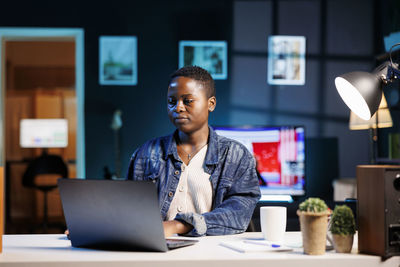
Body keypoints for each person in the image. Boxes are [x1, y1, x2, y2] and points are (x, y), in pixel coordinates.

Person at [126, 66, 261, 237]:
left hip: (215, 254)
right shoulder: (146, 153)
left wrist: (177, 226)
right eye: (171, 101)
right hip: (157, 253)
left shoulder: (236, 155)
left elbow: (238, 214)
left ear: (210, 104)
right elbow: (130, 210)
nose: (178, 108)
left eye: (188, 100)